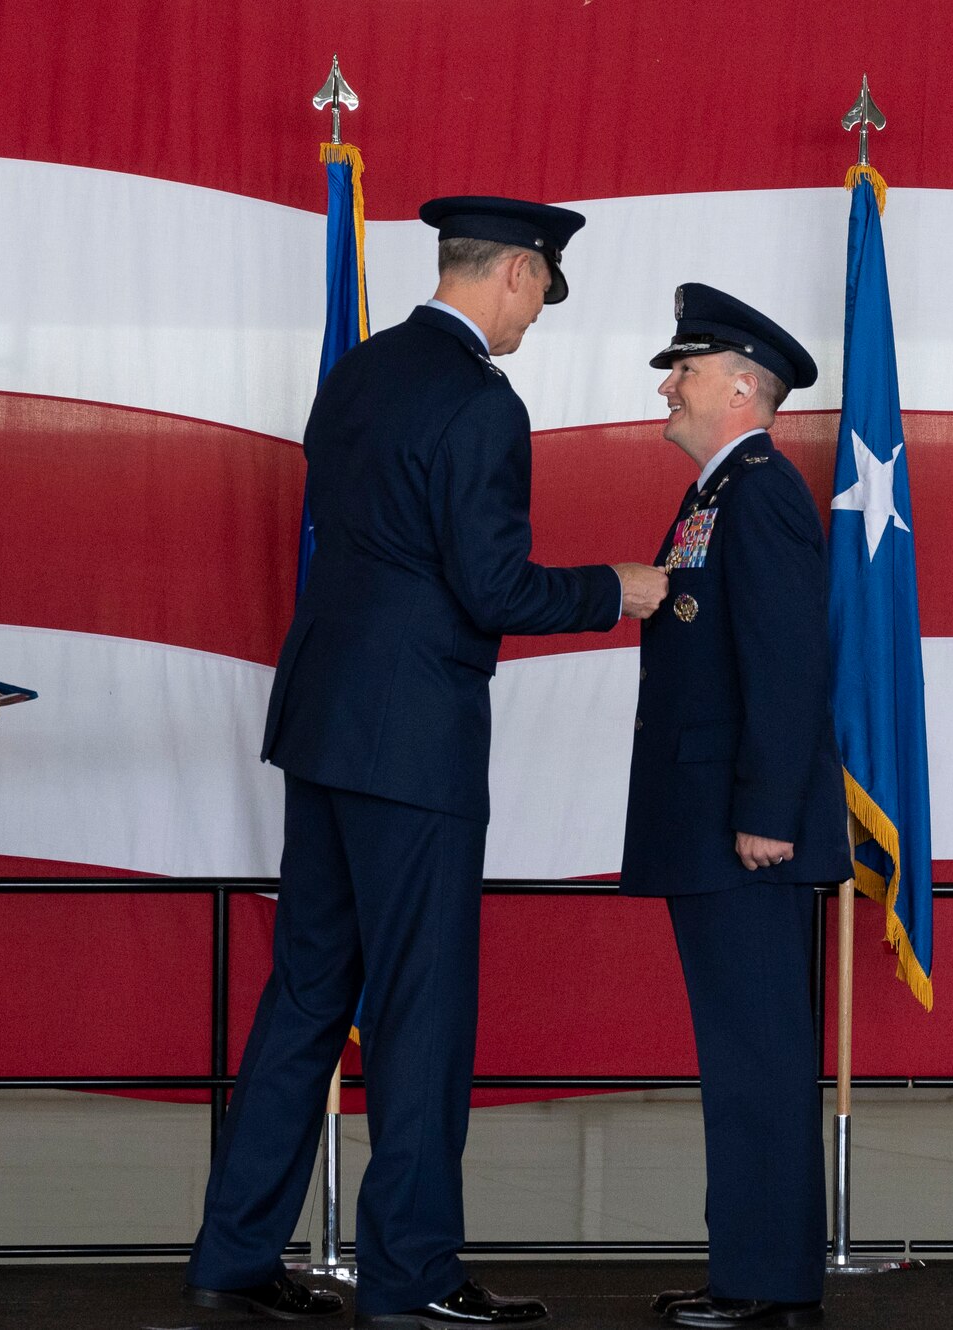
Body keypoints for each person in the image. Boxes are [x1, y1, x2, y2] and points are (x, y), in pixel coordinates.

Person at [184, 197, 668, 1328]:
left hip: (324, 724)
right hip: (414, 741)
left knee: (304, 994)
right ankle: (409, 1273)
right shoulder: (479, 403)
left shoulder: (355, 374)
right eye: (541, 290)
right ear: (509, 271)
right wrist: (614, 588)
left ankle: (232, 1253)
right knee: (420, 1010)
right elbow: (491, 587)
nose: (538, 314)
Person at [620, 284, 849, 1329]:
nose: (669, 385)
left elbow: (787, 661)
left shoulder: (758, 490)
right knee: (737, 1052)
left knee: (756, 1054)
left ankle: (768, 1283)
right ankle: (743, 1269)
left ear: (743, 387)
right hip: (710, 821)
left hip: (743, 830)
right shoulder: (719, 491)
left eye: (687, 369)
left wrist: (767, 807)